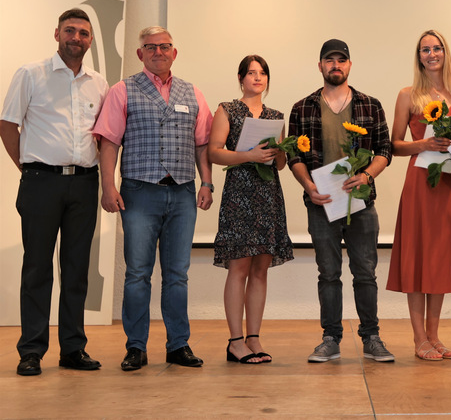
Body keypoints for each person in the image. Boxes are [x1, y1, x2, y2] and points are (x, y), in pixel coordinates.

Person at [94, 26, 214, 371]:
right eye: (150, 47)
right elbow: (109, 142)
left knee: (178, 274)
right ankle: (136, 347)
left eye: (164, 47)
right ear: (140, 54)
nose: (158, 52)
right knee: (137, 274)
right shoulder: (123, 91)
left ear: (174, 52)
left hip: (182, 192)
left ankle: (178, 345)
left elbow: (201, 143)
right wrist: (108, 186)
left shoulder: (193, 93)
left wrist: (207, 182)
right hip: (139, 192)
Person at [0, 8, 108, 376]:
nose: (76, 38)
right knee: (36, 268)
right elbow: (8, 125)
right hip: (41, 183)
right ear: (57, 34)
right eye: (70, 31)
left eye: (83, 33)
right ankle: (31, 351)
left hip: (84, 182)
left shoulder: (99, 82)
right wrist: (28, 168)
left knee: (77, 270)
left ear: (90, 40)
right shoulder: (31, 74)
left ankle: (73, 349)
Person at [288, 38, 394, 363]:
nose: (336, 65)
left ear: (349, 65)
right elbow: (293, 154)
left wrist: (367, 175)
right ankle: (330, 338)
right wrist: (308, 185)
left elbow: (385, 150)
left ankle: (371, 338)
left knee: (365, 272)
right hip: (321, 203)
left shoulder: (370, 105)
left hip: (361, 202)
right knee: (328, 273)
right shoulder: (302, 107)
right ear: (320, 65)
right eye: (329, 60)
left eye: (341, 60)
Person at [386, 30, 451, 361]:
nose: (432, 53)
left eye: (437, 48)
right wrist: (422, 144)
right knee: (417, 255)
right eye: (426, 49)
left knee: (438, 258)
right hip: (421, 183)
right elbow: (394, 144)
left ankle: (435, 334)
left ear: (445, 53)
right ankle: (418, 337)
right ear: (419, 56)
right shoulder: (407, 95)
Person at [208, 55, 294, 364]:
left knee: (260, 269)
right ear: (241, 78)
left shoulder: (275, 115)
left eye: (262, 73)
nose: (257, 78)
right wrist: (250, 155)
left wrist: (281, 152)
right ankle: (234, 341)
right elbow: (215, 153)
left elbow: (281, 165)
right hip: (239, 195)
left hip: (268, 195)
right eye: (251, 73)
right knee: (239, 267)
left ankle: (254, 337)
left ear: (267, 79)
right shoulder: (226, 109)